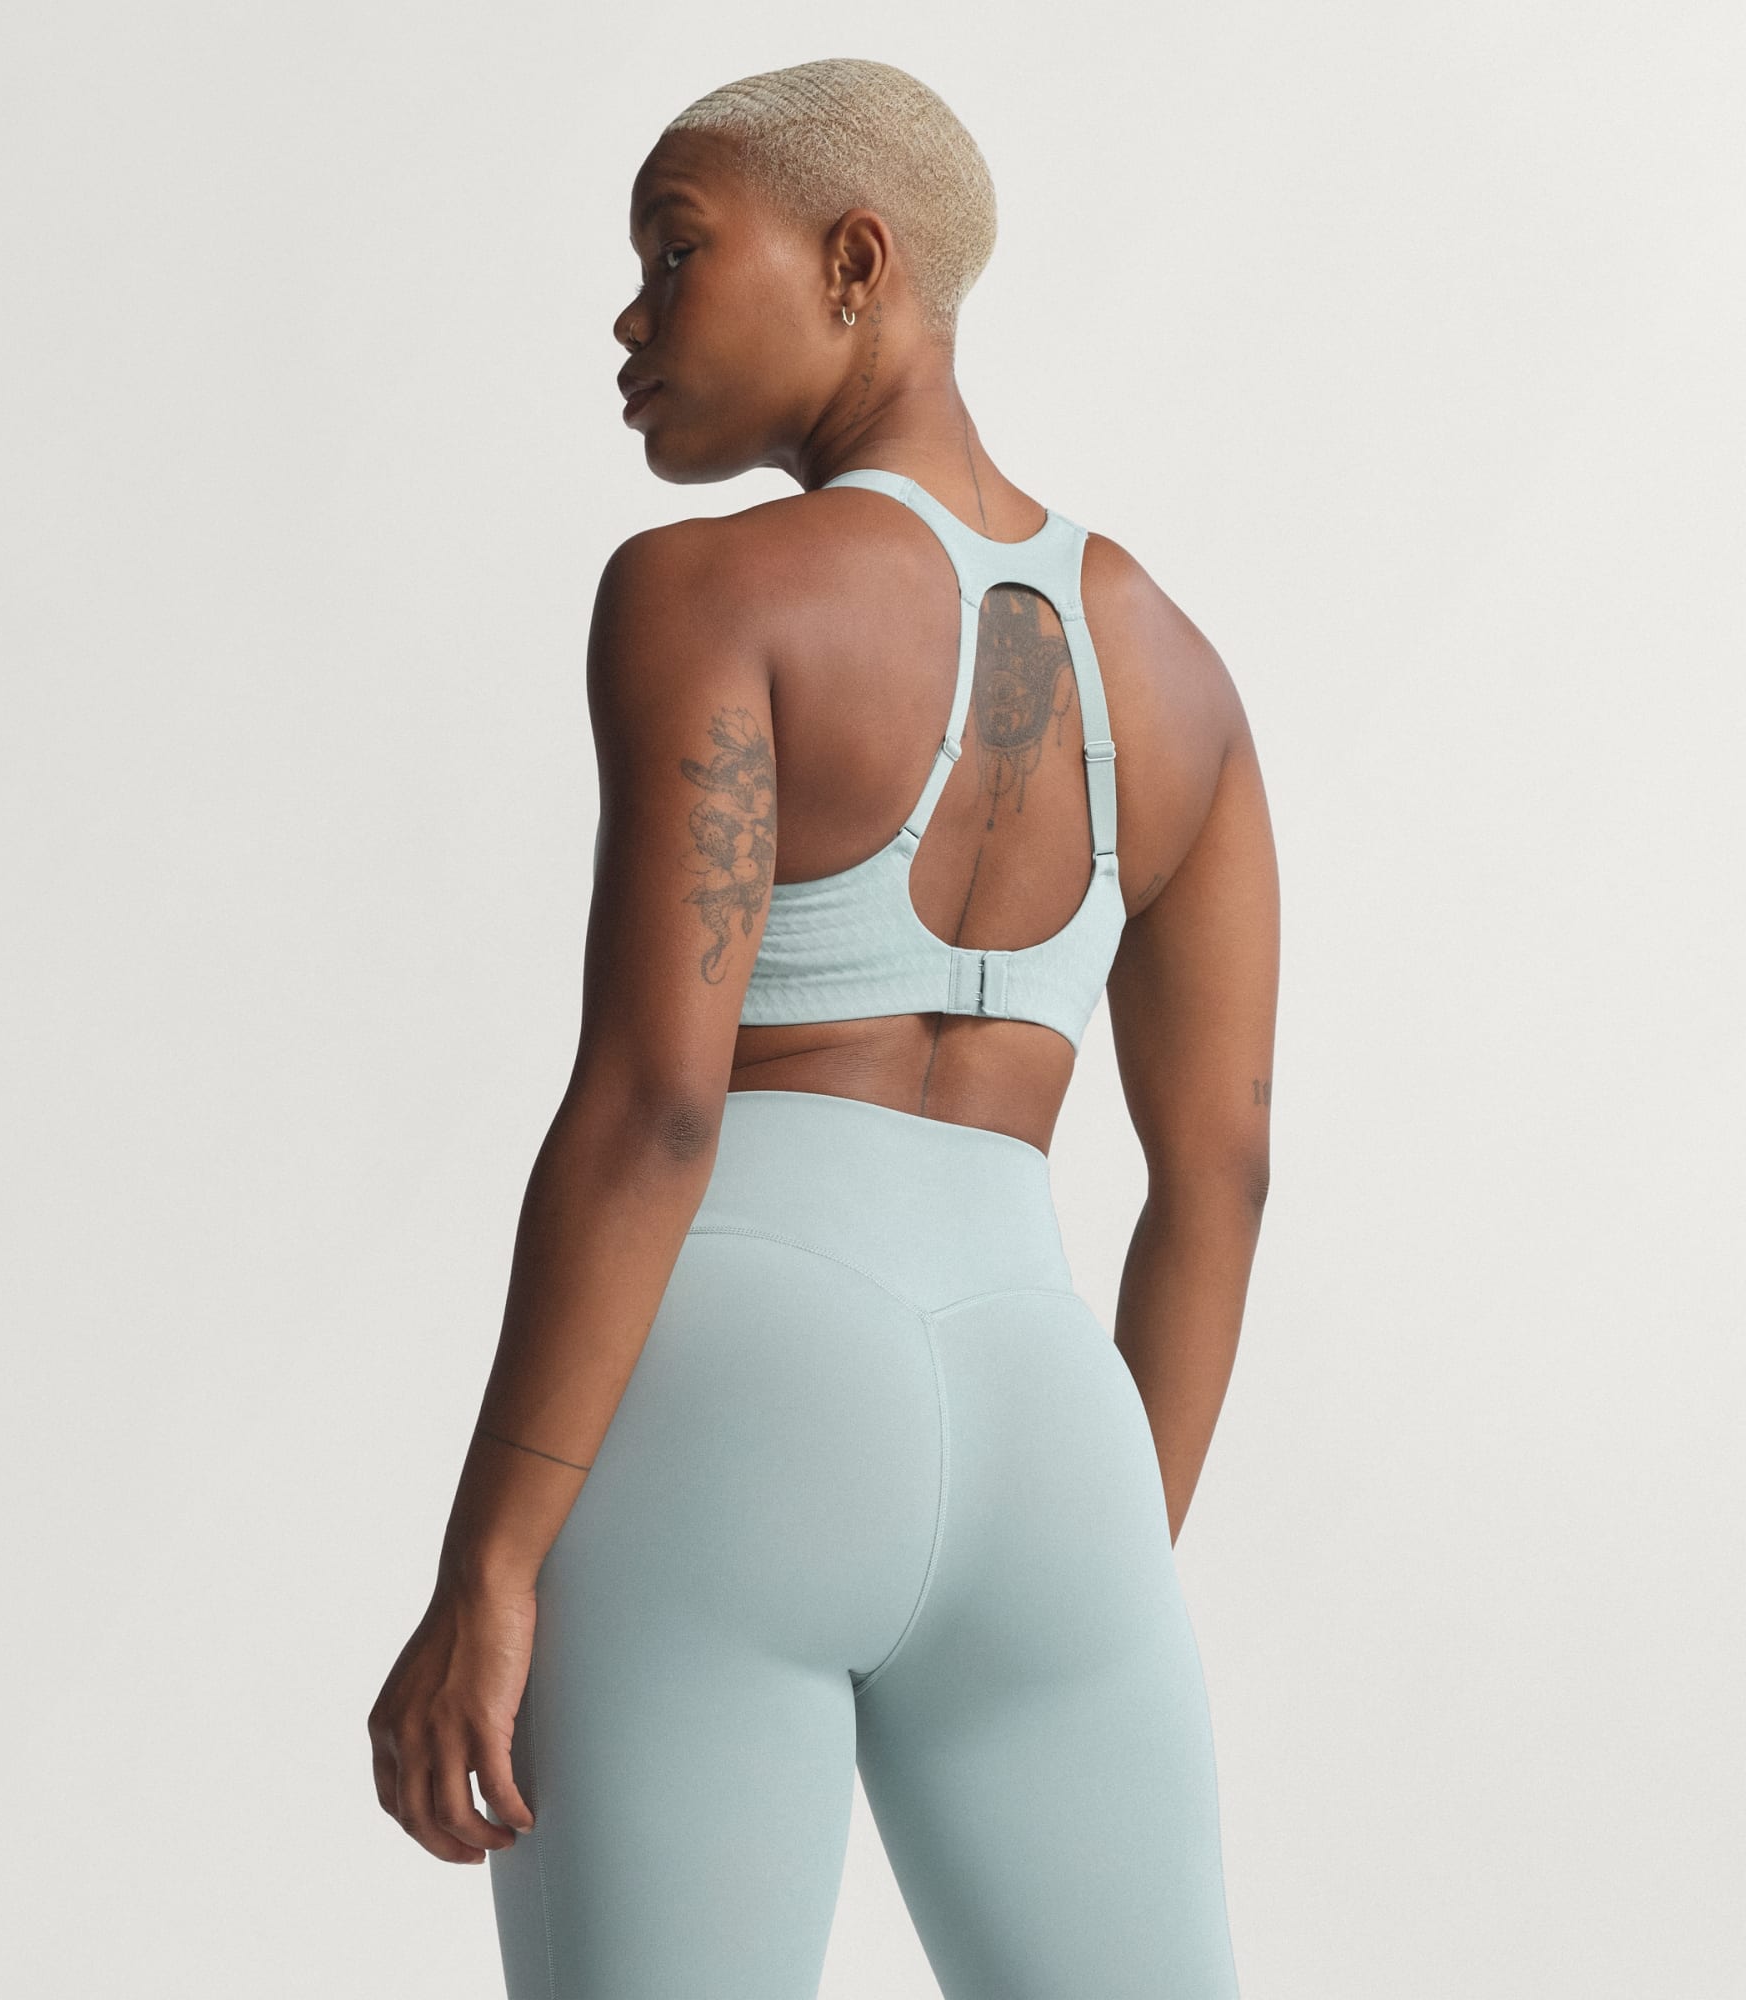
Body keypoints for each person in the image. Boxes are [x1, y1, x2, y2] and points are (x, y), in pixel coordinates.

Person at [369, 56, 1277, 2000]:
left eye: (676, 252)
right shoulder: (1178, 671)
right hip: (1052, 1425)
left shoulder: (707, 594)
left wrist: (487, 1567)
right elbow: (1219, 1177)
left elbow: (655, 1109)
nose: (632, 319)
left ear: (857, 262)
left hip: (729, 1385)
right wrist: (1099, 1570)